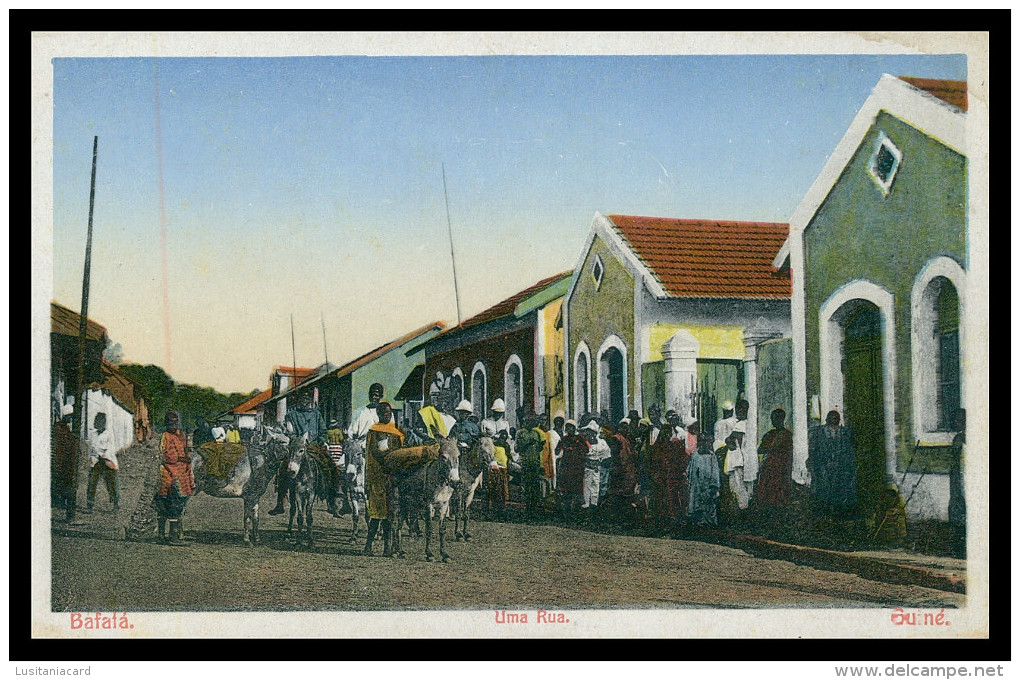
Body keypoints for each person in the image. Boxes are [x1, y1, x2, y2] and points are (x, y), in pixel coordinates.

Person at [268, 390, 335, 516]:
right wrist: (297, 440)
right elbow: (290, 431)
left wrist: (322, 441)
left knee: (330, 464)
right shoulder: (292, 415)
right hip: (296, 446)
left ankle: (331, 502)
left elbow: (323, 431)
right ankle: (280, 503)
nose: (304, 402)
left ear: (310, 401)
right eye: (302, 399)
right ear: (299, 401)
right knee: (283, 469)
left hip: (314, 446)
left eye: (307, 400)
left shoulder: (316, 414)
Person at [363, 401, 404, 556]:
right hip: (377, 479)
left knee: (389, 516)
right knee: (376, 515)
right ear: (378, 414)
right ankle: (368, 546)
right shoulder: (373, 431)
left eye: (388, 412)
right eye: (383, 413)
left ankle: (387, 548)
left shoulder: (397, 431)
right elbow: (372, 454)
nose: (386, 415)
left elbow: (401, 451)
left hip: (392, 479)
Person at [807, 410, 857, 515]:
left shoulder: (845, 432)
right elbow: (814, 451)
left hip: (840, 467)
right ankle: (825, 511)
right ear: (827, 419)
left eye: (836, 418)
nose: (834, 419)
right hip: (824, 466)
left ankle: (838, 511)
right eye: (832, 417)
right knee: (824, 489)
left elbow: (849, 451)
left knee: (840, 489)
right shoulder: (819, 432)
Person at [155, 410, 194, 545]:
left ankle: (163, 536)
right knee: (172, 506)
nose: (173, 424)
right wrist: (183, 458)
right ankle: (171, 537)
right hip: (170, 475)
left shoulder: (180, 436)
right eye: (170, 422)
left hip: (180, 474)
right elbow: (169, 457)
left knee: (169, 506)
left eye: (175, 422)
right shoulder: (166, 437)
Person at [753, 408, 794, 520]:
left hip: (781, 468)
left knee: (779, 493)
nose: (775, 421)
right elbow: (760, 449)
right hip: (769, 467)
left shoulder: (787, 435)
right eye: (773, 418)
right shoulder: (770, 434)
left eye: (777, 418)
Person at [650, 409, 689, 529]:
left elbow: (684, 454)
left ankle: (678, 517)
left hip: (675, 470)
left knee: (677, 494)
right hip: (664, 472)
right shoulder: (661, 442)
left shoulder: (680, 435)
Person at [514, 412, 546, 517]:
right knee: (526, 487)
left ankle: (534, 510)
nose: (531, 424)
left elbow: (539, 449)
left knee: (535, 488)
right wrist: (527, 444)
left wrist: (540, 446)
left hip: (535, 463)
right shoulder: (520, 433)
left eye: (533, 422)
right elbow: (517, 449)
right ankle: (527, 510)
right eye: (529, 421)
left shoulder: (536, 433)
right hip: (526, 463)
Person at [86, 412, 119, 512]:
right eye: (97, 422)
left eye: (101, 422)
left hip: (107, 461)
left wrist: (105, 456)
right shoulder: (93, 434)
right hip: (96, 461)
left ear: (104, 423)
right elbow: (91, 448)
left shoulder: (109, 434)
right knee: (92, 482)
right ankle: (90, 504)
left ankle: (115, 503)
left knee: (111, 483)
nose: (99, 424)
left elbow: (111, 448)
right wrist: (91, 458)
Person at [556, 420, 588, 517]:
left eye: (571, 427)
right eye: (567, 427)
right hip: (566, 468)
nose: (569, 429)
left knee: (577, 490)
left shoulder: (580, 439)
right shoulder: (563, 439)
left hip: (577, 468)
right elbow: (557, 451)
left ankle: (576, 511)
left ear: (574, 428)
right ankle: (567, 511)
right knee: (566, 490)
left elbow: (587, 449)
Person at [687, 431, 721, 526]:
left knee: (709, 504)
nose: (703, 443)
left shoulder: (711, 456)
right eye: (700, 441)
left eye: (705, 441)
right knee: (696, 504)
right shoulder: (695, 455)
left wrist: (714, 485)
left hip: (708, 485)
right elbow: (690, 470)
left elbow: (715, 472)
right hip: (696, 485)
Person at [582, 420, 611, 509]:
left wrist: (600, 461)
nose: (590, 434)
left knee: (596, 485)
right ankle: (587, 503)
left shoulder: (601, 443)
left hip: (597, 467)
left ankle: (594, 503)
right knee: (587, 485)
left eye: (592, 432)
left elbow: (606, 454)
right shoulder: (584, 443)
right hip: (587, 467)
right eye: (588, 432)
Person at [948, 408, 966, 533]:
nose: (956, 422)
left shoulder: (961, 438)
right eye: (955, 420)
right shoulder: (958, 438)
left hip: (963, 474)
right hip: (957, 474)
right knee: (956, 497)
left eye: (959, 420)